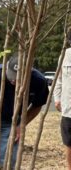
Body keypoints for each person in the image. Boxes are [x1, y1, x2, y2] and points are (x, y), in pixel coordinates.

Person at [54, 32, 71, 170]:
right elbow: (58, 79)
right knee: (69, 143)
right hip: (68, 109)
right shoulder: (64, 56)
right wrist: (57, 98)